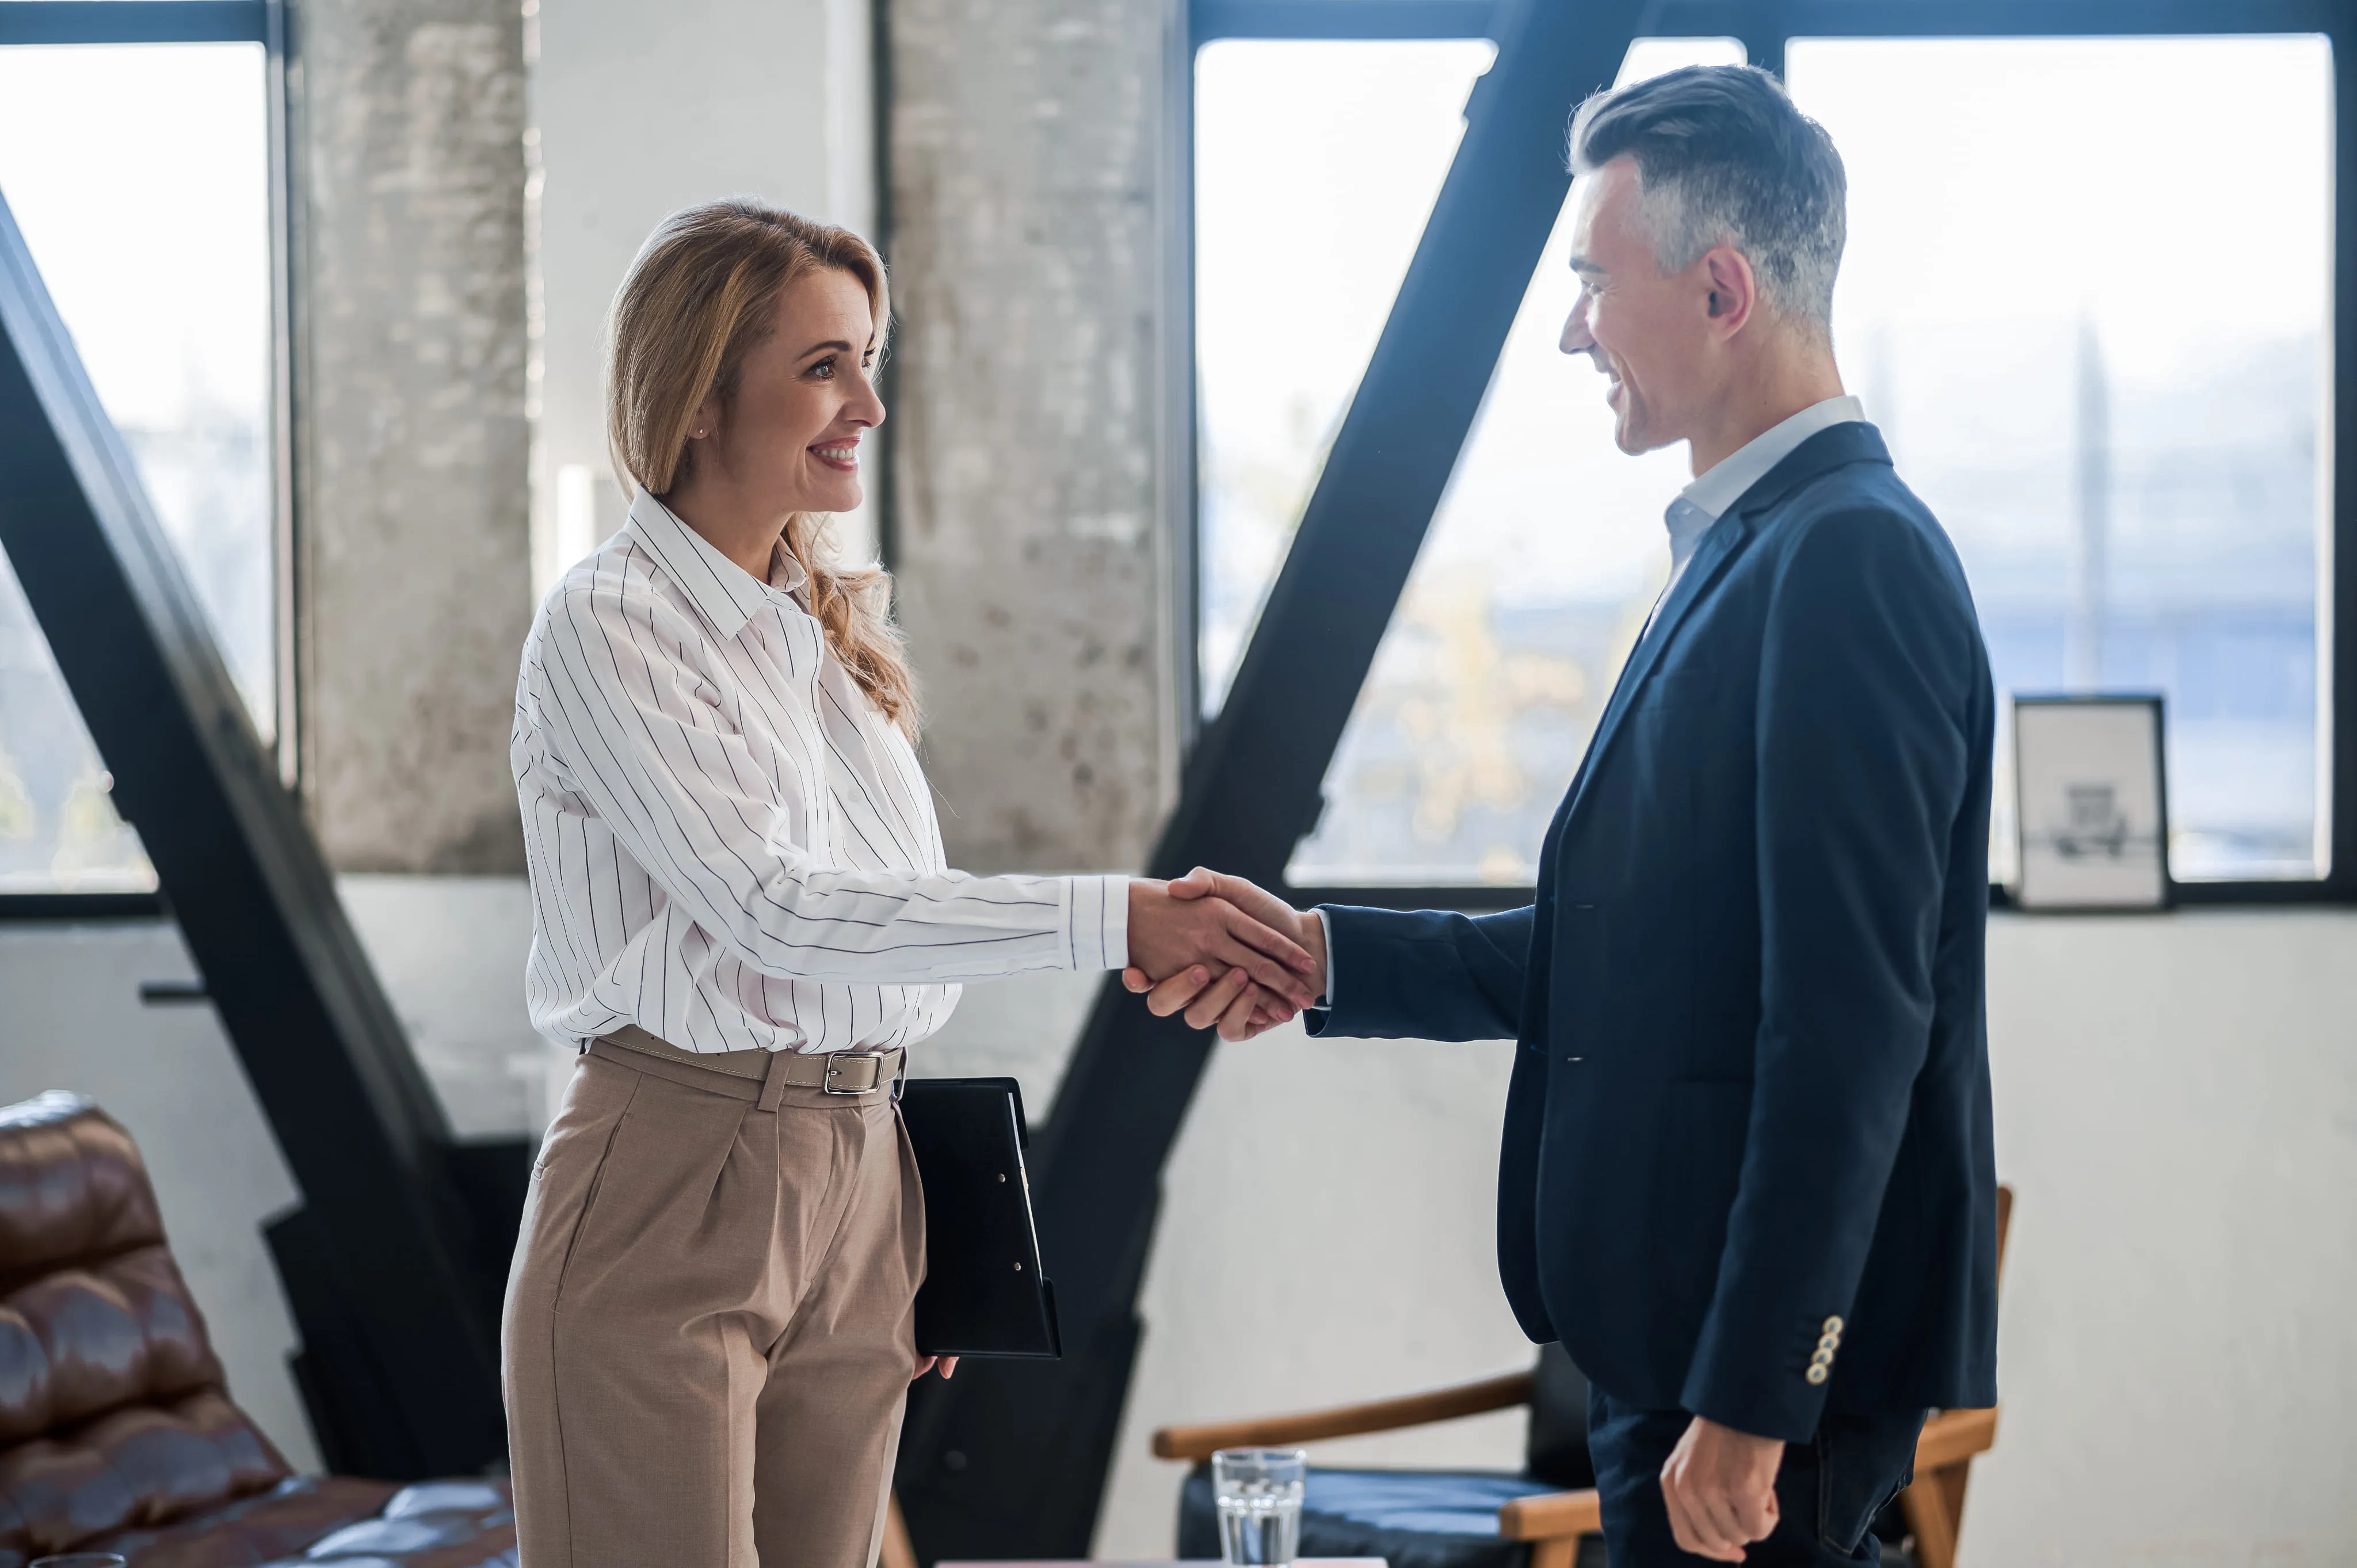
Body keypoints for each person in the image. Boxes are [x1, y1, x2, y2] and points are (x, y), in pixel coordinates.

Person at [1131, 66, 1999, 1566]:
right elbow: (1644, 949)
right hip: (1664, 1359)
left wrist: (1751, 1398)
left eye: (1594, 280)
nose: (1571, 326)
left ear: (1722, 288)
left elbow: (1848, 1026)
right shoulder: (1754, 553)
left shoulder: (1847, 565)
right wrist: (1329, 956)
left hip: (1736, 1392)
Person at [501, 199, 1319, 1568]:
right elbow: (775, 909)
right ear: (701, 391)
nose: (868, 404)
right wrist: (1111, 912)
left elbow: (895, 938)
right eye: (825, 364)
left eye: (867, 360)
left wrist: (887, 1209)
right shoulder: (608, 622)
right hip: (668, 1171)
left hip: (860, 1175)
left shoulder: (820, 635)